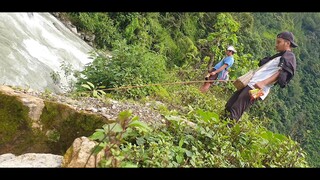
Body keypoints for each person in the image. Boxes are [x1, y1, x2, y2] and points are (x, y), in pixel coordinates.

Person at [223, 31, 298, 122]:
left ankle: (226, 129)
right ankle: (219, 125)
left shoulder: (289, 56)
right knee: (230, 105)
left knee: (237, 108)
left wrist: (263, 83)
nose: (276, 45)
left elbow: (281, 73)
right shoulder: (280, 56)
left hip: (258, 88)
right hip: (252, 83)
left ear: (288, 43)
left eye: (279, 42)